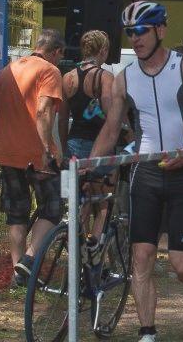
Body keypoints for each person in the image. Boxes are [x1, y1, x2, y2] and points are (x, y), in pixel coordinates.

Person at [89, 1, 183, 341]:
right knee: (142, 257)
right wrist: (88, 166)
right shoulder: (124, 79)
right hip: (145, 174)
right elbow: (111, 129)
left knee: (181, 265)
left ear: (160, 31)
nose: (135, 38)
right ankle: (147, 332)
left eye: (141, 31)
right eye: (130, 32)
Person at [0, 29, 65, 286]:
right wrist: (46, 149)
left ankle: (18, 275)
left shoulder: (9, 70)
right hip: (37, 156)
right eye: (61, 56)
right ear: (56, 52)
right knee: (52, 208)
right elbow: (43, 111)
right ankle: (29, 260)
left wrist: (1, 137)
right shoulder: (50, 71)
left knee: (17, 214)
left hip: (8, 154)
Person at [58, 30, 115, 246]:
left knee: (81, 197)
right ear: (103, 50)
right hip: (98, 144)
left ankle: (77, 246)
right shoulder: (105, 77)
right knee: (103, 199)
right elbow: (110, 115)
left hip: (74, 142)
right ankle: (95, 246)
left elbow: (63, 118)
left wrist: (65, 145)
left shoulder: (67, 78)